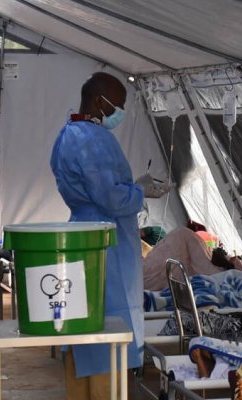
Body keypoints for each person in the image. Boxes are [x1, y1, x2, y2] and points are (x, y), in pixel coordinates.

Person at [50, 72, 169, 399]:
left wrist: (133, 188)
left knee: (82, 328)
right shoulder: (92, 138)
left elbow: (95, 187)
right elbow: (110, 197)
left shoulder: (67, 133)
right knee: (109, 331)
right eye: (118, 104)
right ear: (99, 101)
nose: (120, 112)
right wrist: (140, 191)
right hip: (106, 243)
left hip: (83, 235)